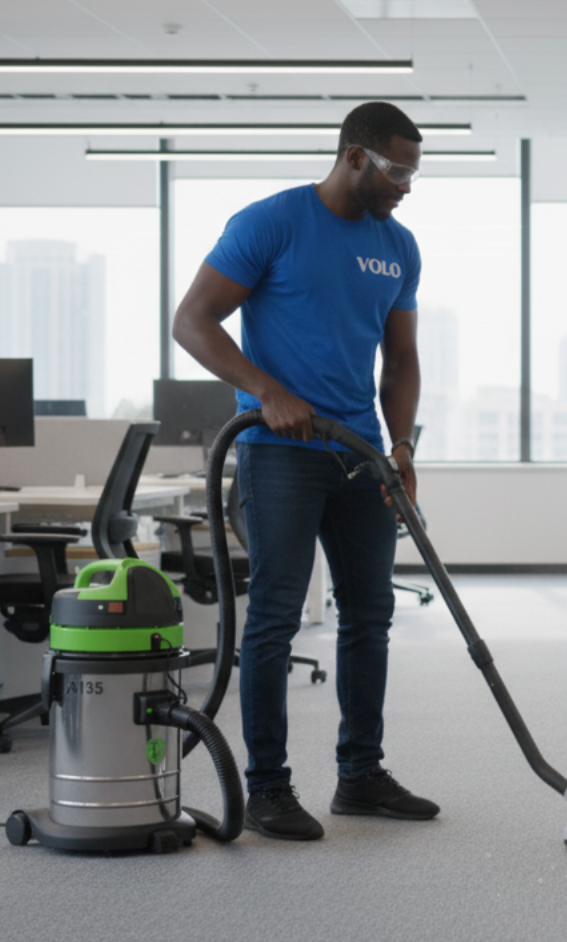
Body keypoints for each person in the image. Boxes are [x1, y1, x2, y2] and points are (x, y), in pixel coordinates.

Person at [172, 101, 434, 841]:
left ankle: (360, 775)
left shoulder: (399, 245)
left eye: (414, 172)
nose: (406, 186)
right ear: (354, 156)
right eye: (395, 169)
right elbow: (191, 320)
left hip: (359, 457)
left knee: (370, 615)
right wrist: (267, 390)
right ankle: (267, 787)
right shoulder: (271, 222)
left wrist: (402, 448)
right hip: (279, 453)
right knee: (276, 619)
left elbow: (402, 358)